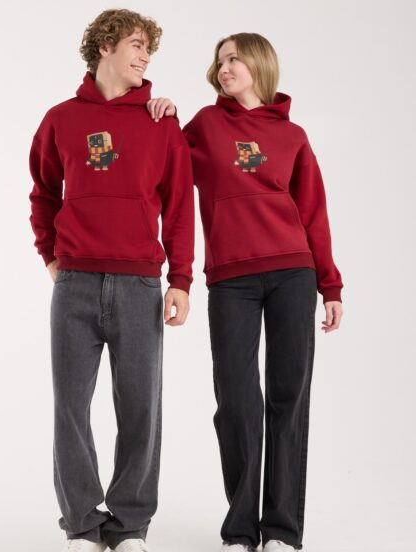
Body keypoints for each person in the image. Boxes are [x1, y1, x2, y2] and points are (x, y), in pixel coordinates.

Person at [147, 33, 343, 552]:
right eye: (220, 60)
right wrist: (165, 115)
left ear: (258, 64)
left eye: (233, 58)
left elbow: (313, 214)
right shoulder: (206, 125)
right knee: (235, 401)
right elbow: (167, 164)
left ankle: (281, 530)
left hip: (293, 273)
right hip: (231, 278)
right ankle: (240, 531)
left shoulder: (293, 136)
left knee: (288, 397)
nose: (224, 67)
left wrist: (330, 284)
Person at [29, 9, 194, 552]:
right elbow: (43, 193)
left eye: (149, 49)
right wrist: (50, 255)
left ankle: (129, 527)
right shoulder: (60, 119)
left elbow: (179, 206)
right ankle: (82, 524)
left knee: (141, 409)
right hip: (74, 284)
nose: (146, 56)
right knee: (70, 407)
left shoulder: (161, 121)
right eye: (137, 45)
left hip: (140, 285)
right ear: (105, 46)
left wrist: (181, 278)